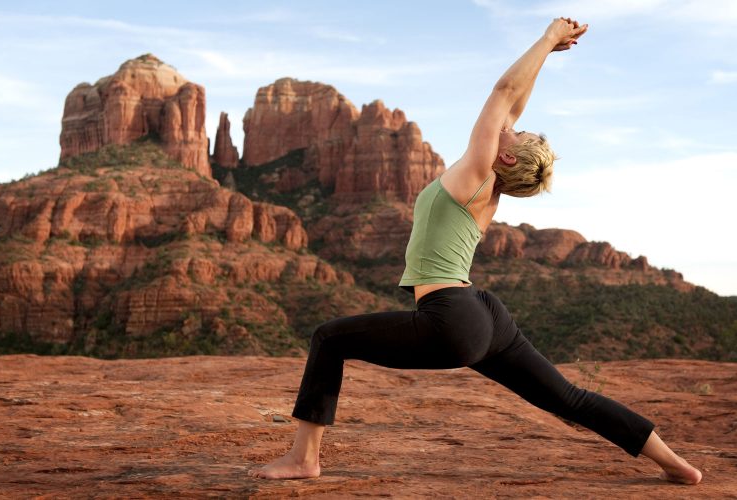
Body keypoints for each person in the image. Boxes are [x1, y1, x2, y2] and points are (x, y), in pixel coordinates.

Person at [247, 18, 703, 485]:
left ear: (505, 157)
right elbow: (514, 104)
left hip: (449, 317)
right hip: (486, 317)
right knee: (568, 397)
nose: (511, 128)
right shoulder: (490, 191)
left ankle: (304, 459)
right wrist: (545, 55)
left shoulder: (475, 175)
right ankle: (676, 464)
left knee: (329, 338)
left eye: (517, 135)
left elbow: (505, 92)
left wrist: (547, 38)